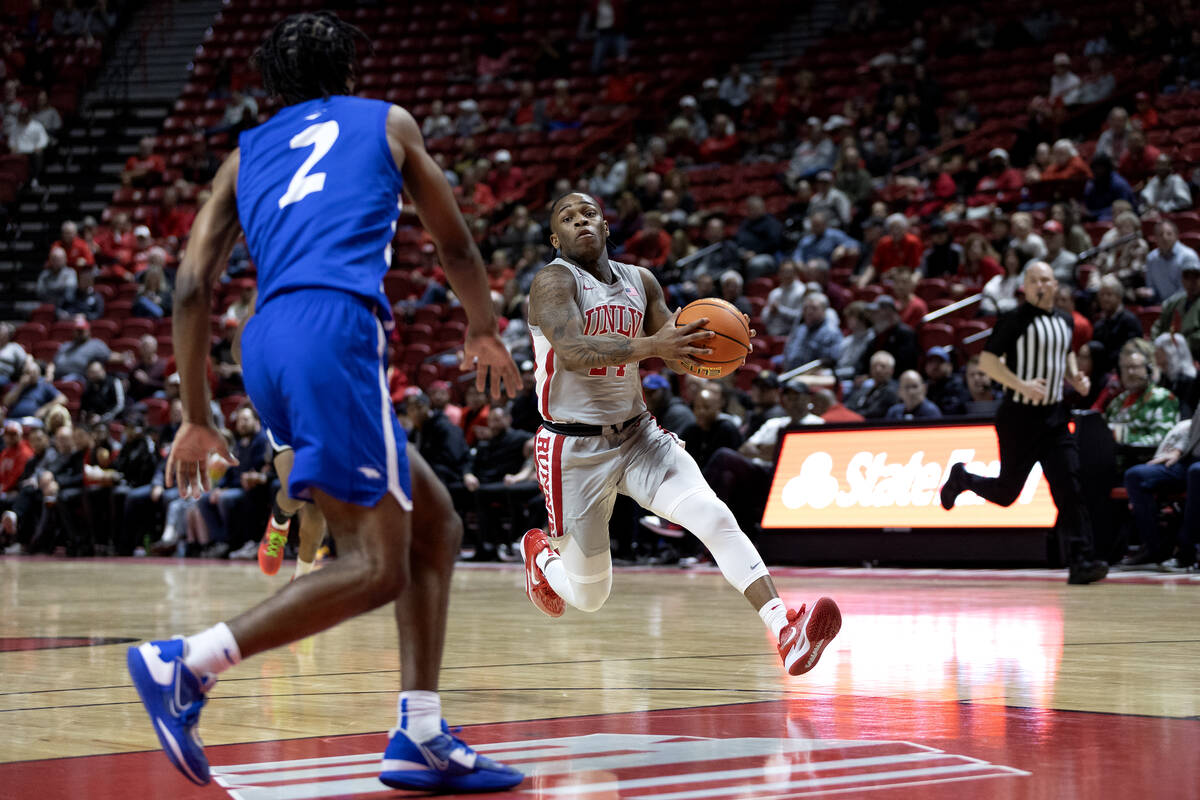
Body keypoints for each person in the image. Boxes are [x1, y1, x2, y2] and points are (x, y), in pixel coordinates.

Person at [124, 12, 524, 793]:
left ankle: (420, 732)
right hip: (332, 326)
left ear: (269, 84)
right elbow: (457, 245)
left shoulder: (244, 155)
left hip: (264, 340)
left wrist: (198, 415)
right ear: (347, 72)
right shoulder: (388, 122)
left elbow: (191, 286)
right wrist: (482, 327)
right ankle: (188, 665)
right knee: (376, 567)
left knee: (434, 523)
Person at [523, 191, 841, 676]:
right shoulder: (552, 281)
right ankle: (540, 557)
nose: (580, 221)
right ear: (556, 238)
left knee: (713, 516)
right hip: (573, 448)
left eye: (589, 214)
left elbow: (674, 351)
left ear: (606, 226)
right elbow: (570, 350)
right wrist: (654, 344)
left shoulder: (641, 281)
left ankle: (785, 630)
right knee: (590, 595)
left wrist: (717, 343)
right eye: (567, 218)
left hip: (637, 437)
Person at [939, 262, 1109, 585]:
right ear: (1026, 287)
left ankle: (1081, 560)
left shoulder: (1065, 320)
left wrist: (1076, 377)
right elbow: (988, 362)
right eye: (1034, 281)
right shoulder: (1014, 320)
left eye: (1046, 279)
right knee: (1006, 494)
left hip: (1055, 417)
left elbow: (1065, 354)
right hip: (1018, 418)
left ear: (1055, 285)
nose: (1040, 285)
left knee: (1070, 487)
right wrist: (1021, 384)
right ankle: (962, 478)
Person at [1120, 404, 1200, 571]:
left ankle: (1187, 551)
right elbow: (1193, 428)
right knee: (1136, 475)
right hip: (1189, 459)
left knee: (1196, 472)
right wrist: (1178, 450)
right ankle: (1155, 547)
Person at [1102, 350, 1179, 446]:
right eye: (1125, 368)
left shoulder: (1162, 398)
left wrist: (1123, 438)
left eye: (1135, 367)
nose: (1130, 372)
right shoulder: (1118, 400)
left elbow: (1162, 439)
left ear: (1148, 370)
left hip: (1142, 458)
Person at [681, 387, 744, 470]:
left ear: (718, 409)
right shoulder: (691, 430)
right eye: (697, 407)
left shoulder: (727, 429)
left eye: (706, 407)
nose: (701, 411)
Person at [779, 292, 842, 371]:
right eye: (806, 308)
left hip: (814, 379)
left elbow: (829, 362)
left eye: (814, 308)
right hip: (791, 374)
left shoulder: (831, 332)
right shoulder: (800, 329)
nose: (809, 312)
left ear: (824, 311)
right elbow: (787, 352)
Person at [1151, 262, 1200, 360]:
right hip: (1168, 353)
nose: (1191, 282)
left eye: (1196, 278)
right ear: (1182, 280)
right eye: (1187, 278)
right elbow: (1158, 326)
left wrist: (1179, 346)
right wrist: (1159, 343)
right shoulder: (1174, 302)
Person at [1145, 220, 1199, 304]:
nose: (1164, 238)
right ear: (1155, 238)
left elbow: (1190, 290)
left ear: (1176, 236)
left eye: (1169, 234)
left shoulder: (1188, 256)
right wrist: (1147, 293)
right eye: (1160, 234)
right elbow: (1152, 288)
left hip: (1185, 305)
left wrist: (1167, 305)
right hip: (1161, 306)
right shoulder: (1151, 258)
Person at [845, 350, 900, 419]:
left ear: (891, 370)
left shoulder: (892, 390)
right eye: (874, 366)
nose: (878, 370)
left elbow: (873, 413)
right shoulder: (866, 388)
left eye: (883, 366)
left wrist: (850, 415)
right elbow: (849, 404)